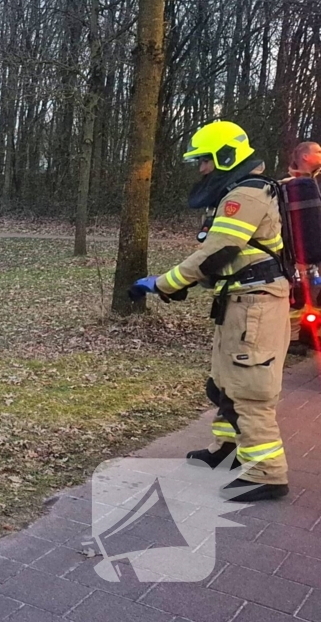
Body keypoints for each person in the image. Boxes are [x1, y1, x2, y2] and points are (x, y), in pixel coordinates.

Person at [129, 120, 290, 502]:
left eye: (205, 160)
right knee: (223, 385)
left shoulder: (246, 195)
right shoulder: (239, 191)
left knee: (249, 391)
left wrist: (165, 283)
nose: (201, 169)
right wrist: (190, 283)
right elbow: (228, 258)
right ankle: (230, 451)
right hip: (240, 302)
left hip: (255, 306)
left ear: (226, 156)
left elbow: (218, 251)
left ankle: (267, 474)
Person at [285, 141, 321, 351]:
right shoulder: (290, 184)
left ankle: (311, 334)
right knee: (297, 295)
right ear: (305, 157)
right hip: (297, 248)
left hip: (316, 246)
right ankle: (292, 338)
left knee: (316, 294)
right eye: (318, 151)